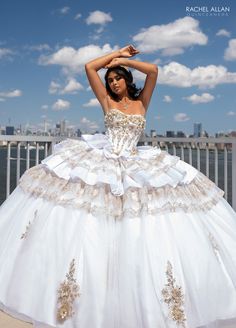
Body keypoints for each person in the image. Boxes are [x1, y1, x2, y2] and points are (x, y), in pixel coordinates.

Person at [0, 45, 235, 328]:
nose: (112, 83)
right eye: (110, 80)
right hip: (107, 162)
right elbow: (89, 67)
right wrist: (113, 55)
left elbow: (155, 71)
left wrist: (126, 61)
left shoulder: (142, 102)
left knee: (139, 228)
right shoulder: (107, 102)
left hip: (136, 166)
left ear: (127, 80)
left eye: (117, 78)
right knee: (94, 228)